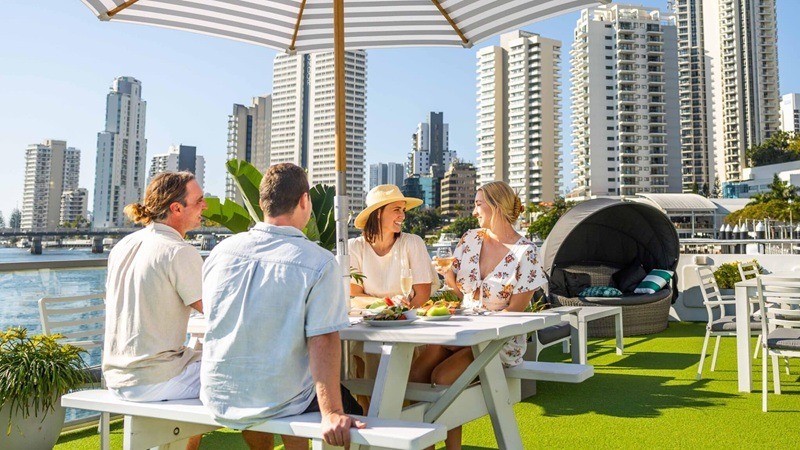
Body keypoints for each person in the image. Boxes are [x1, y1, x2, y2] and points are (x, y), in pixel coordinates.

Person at [200, 163, 364, 450]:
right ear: (304, 200)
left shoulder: (220, 253)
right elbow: (323, 339)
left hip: (220, 396)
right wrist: (333, 413)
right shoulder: (319, 262)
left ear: (263, 203)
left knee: (285, 381)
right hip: (279, 397)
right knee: (355, 409)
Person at [410, 181, 547, 450]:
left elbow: (514, 314)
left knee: (444, 377)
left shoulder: (526, 253)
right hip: (462, 329)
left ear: (496, 206)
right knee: (416, 372)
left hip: (498, 340)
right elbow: (464, 296)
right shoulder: (470, 239)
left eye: (478, 203)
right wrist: (449, 277)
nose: (474, 211)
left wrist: (475, 328)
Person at [103, 171, 207, 450]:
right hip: (154, 379)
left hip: (116, 377)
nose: (205, 206)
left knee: (199, 360)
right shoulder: (178, 251)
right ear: (176, 208)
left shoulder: (123, 246)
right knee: (241, 373)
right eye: (199, 201)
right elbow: (217, 312)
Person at [349, 184, 433, 308]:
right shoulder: (354, 247)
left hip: (407, 321)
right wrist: (388, 304)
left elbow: (423, 295)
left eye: (403, 210)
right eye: (396, 209)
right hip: (368, 321)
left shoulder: (413, 243)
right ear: (378, 213)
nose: (403, 216)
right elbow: (354, 296)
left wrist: (401, 316)